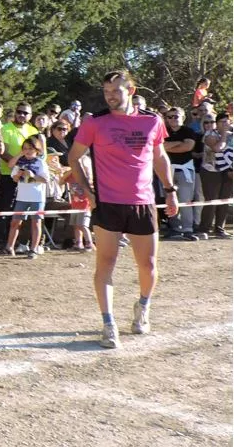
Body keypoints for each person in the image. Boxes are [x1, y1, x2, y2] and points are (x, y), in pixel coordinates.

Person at [65, 70, 179, 349]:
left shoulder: (152, 120)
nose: (111, 96)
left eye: (116, 90)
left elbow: (159, 156)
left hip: (143, 202)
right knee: (105, 264)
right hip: (108, 204)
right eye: (106, 92)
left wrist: (170, 190)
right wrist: (88, 191)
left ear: (131, 89)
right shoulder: (95, 122)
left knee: (148, 264)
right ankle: (108, 323)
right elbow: (74, 157)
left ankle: (143, 306)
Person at [0, 103, 37, 250]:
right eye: (19, 112)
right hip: (8, 174)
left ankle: (20, 241)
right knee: (6, 207)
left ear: (30, 116)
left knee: (24, 210)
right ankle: (1, 240)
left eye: (25, 113)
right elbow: (4, 152)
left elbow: (37, 153)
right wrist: (19, 165)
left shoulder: (33, 130)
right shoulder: (5, 129)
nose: (22, 115)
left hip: (27, 177)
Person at [3, 135, 50, 257]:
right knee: (15, 222)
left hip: (37, 197)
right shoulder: (20, 162)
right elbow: (13, 175)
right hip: (21, 197)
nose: (27, 151)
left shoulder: (40, 163)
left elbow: (45, 179)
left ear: (37, 150)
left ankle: (34, 248)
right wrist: (18, 175)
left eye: (30, 148)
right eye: (25, 148)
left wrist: (33, 175)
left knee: (36, 223)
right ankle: (9, 246)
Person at [161, 106, 200, 241]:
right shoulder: (163, 131)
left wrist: (170, 146)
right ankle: (175, 228)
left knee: (185, 200)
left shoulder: (188, 131)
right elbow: (161, 147)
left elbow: (187, 147)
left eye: (176, 116)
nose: (173, 119)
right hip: (167, 170)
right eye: (170, 117)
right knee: (170, 200)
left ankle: (188, 229)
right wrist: (178, 143)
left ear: (183, 118)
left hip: (185, 169)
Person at [198, 112, 232, 238]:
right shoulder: (209, 134)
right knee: (211, 200)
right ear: (216, 123)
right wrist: (223, 134)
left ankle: (219, 228)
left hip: (227, 171)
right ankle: (204, 228)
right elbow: (217, 148)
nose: (225, 124)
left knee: (224, 200)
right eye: (222, 122)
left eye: (227, 121)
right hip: (210, 171)